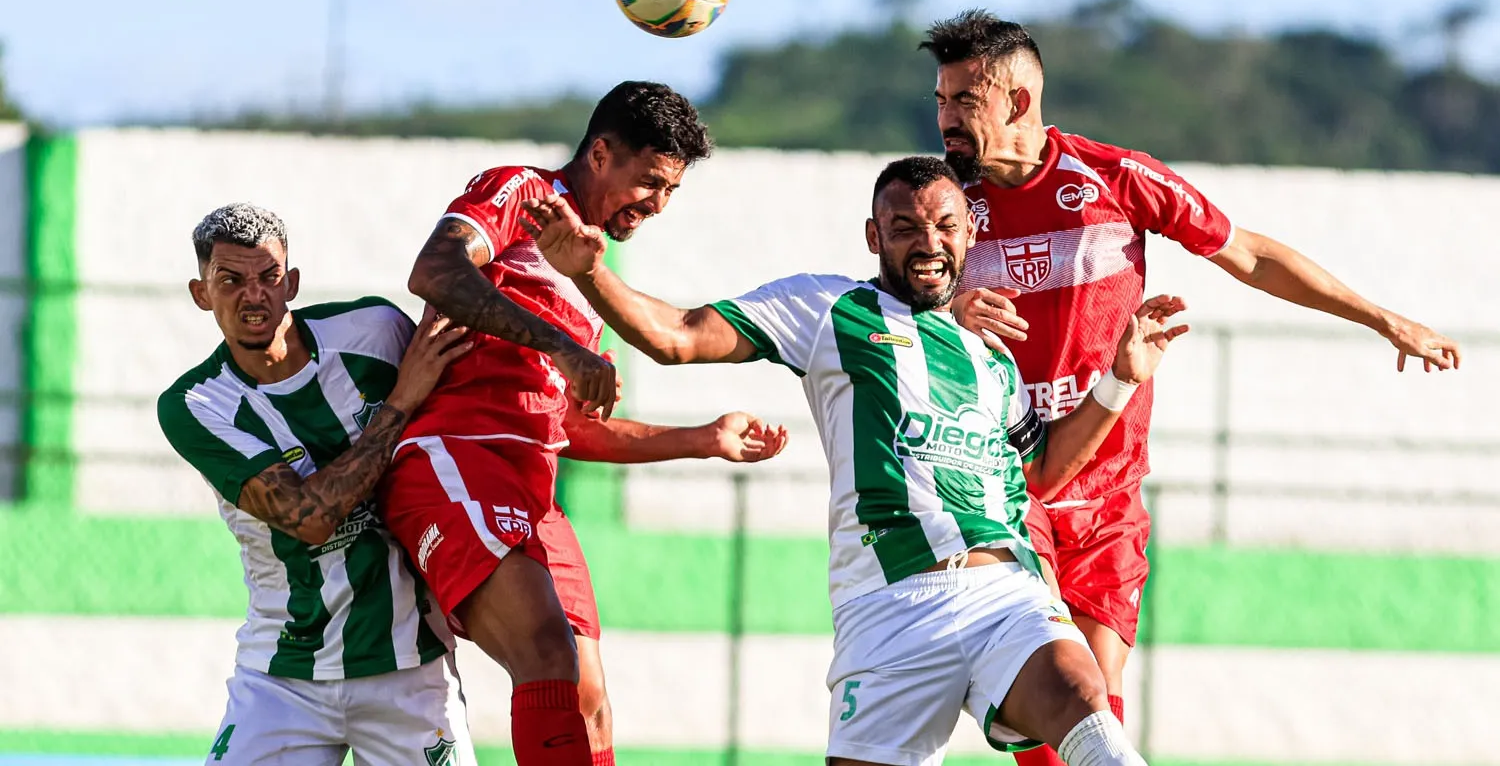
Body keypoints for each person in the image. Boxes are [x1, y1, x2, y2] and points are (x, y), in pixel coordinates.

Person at [519, 155, 1190, 766]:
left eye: (946, 227)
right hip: (890, 607)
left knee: (1081, 693)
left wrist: (1121, 379)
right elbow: (677, 337)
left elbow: (1043, 472)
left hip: (1005, 596)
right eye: (904, 228)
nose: (928, 243)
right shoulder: (828, 308)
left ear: (969, 236)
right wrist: (590, 272)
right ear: (874, 238)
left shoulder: (991, 356)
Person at [923, 10, 1462, 764]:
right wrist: (942, 309)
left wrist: (1380, 318)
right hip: (1010, 490)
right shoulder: (944, 208)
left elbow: (1250, 256)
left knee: (1094, 712)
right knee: (1067, 692)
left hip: (1110, 498)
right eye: (941, 101)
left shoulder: (1114, 178)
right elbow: (878, 309)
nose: (945, 119)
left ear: (1017, 101)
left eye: (963, 103)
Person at [379, 81, 788, 766]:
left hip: (533, 493)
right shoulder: (522, 193)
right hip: (455, 459)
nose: (658, 205)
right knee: (546, 652)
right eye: (650, 182)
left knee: (589, 697)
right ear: (600, 153)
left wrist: (701, 440)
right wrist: (562, 347)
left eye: (672, 191)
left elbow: (574, 430)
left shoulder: (591, 275)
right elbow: (435, 267)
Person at [158, 203, 478, 766]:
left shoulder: (375, 332)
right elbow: (309, 518)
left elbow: (477, 405)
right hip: (283, 678)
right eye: (230, 280)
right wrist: (402, 400)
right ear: (201, 292)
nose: (253, 295)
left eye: (269, 277)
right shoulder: (198, 404)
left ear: (293, 283)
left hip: (411, 668)